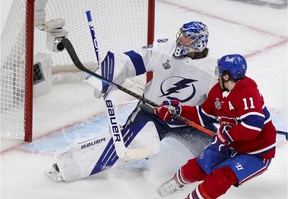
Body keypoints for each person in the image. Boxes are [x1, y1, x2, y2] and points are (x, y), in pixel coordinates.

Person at [153, 54, 277, 198]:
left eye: (220, 71)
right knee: (197, 166)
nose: (217, 74)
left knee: (221, 178)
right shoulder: (217, 91)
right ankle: (174, 184)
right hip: (231, 144)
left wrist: (226, 135)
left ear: (226, 76)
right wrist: (177, 111)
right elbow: (202, 115)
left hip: (256, 153)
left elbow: (253, 126)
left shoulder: (247, 92)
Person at [86, 21, 218, 156]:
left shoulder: (212, 71)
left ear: (199, 42)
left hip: (189, 123)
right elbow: (131, 60)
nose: (181, 38)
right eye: (182, 34)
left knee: (215, 156)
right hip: (152, 113)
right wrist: (106, 74)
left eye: (187, 36)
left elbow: (220, 103)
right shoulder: (164, 48)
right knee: (129, 150)